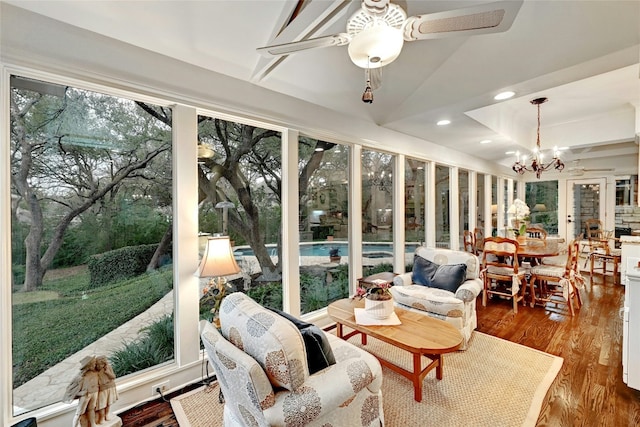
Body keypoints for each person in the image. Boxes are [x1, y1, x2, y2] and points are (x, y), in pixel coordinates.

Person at [64, 356, 100, 427]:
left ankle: (93, 424)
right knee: (79, 413)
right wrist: (81, 393)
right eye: (93, 364)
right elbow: (69, 390)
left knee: (92, 409)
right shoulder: (80, 377)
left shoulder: (95, 373)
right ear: (88, 366)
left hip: (94, 393)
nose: (95, 365)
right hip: (85, 396)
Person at [95, 355, 118, 423]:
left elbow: (113, 377)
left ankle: (106, 415)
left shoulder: (108, 368)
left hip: (110, 387)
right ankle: (102, 417)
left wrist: (107, 372)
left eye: (100, 364)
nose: (99, 366)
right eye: (98, 364)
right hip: (102, 389)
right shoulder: (96, 371)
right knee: (101, 404)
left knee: (108, 403)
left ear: (104, 363)